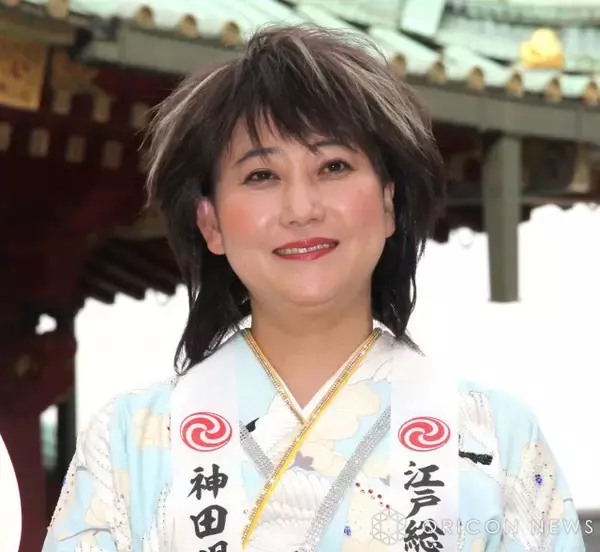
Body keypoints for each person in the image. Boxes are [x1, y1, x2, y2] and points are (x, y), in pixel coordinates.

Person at [42, 25, 584, 552]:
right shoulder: (127, 443)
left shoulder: (497, 438)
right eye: (261, 175)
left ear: (389, 203)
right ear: (210, 223)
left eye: (334, 166)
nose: (301, 208)